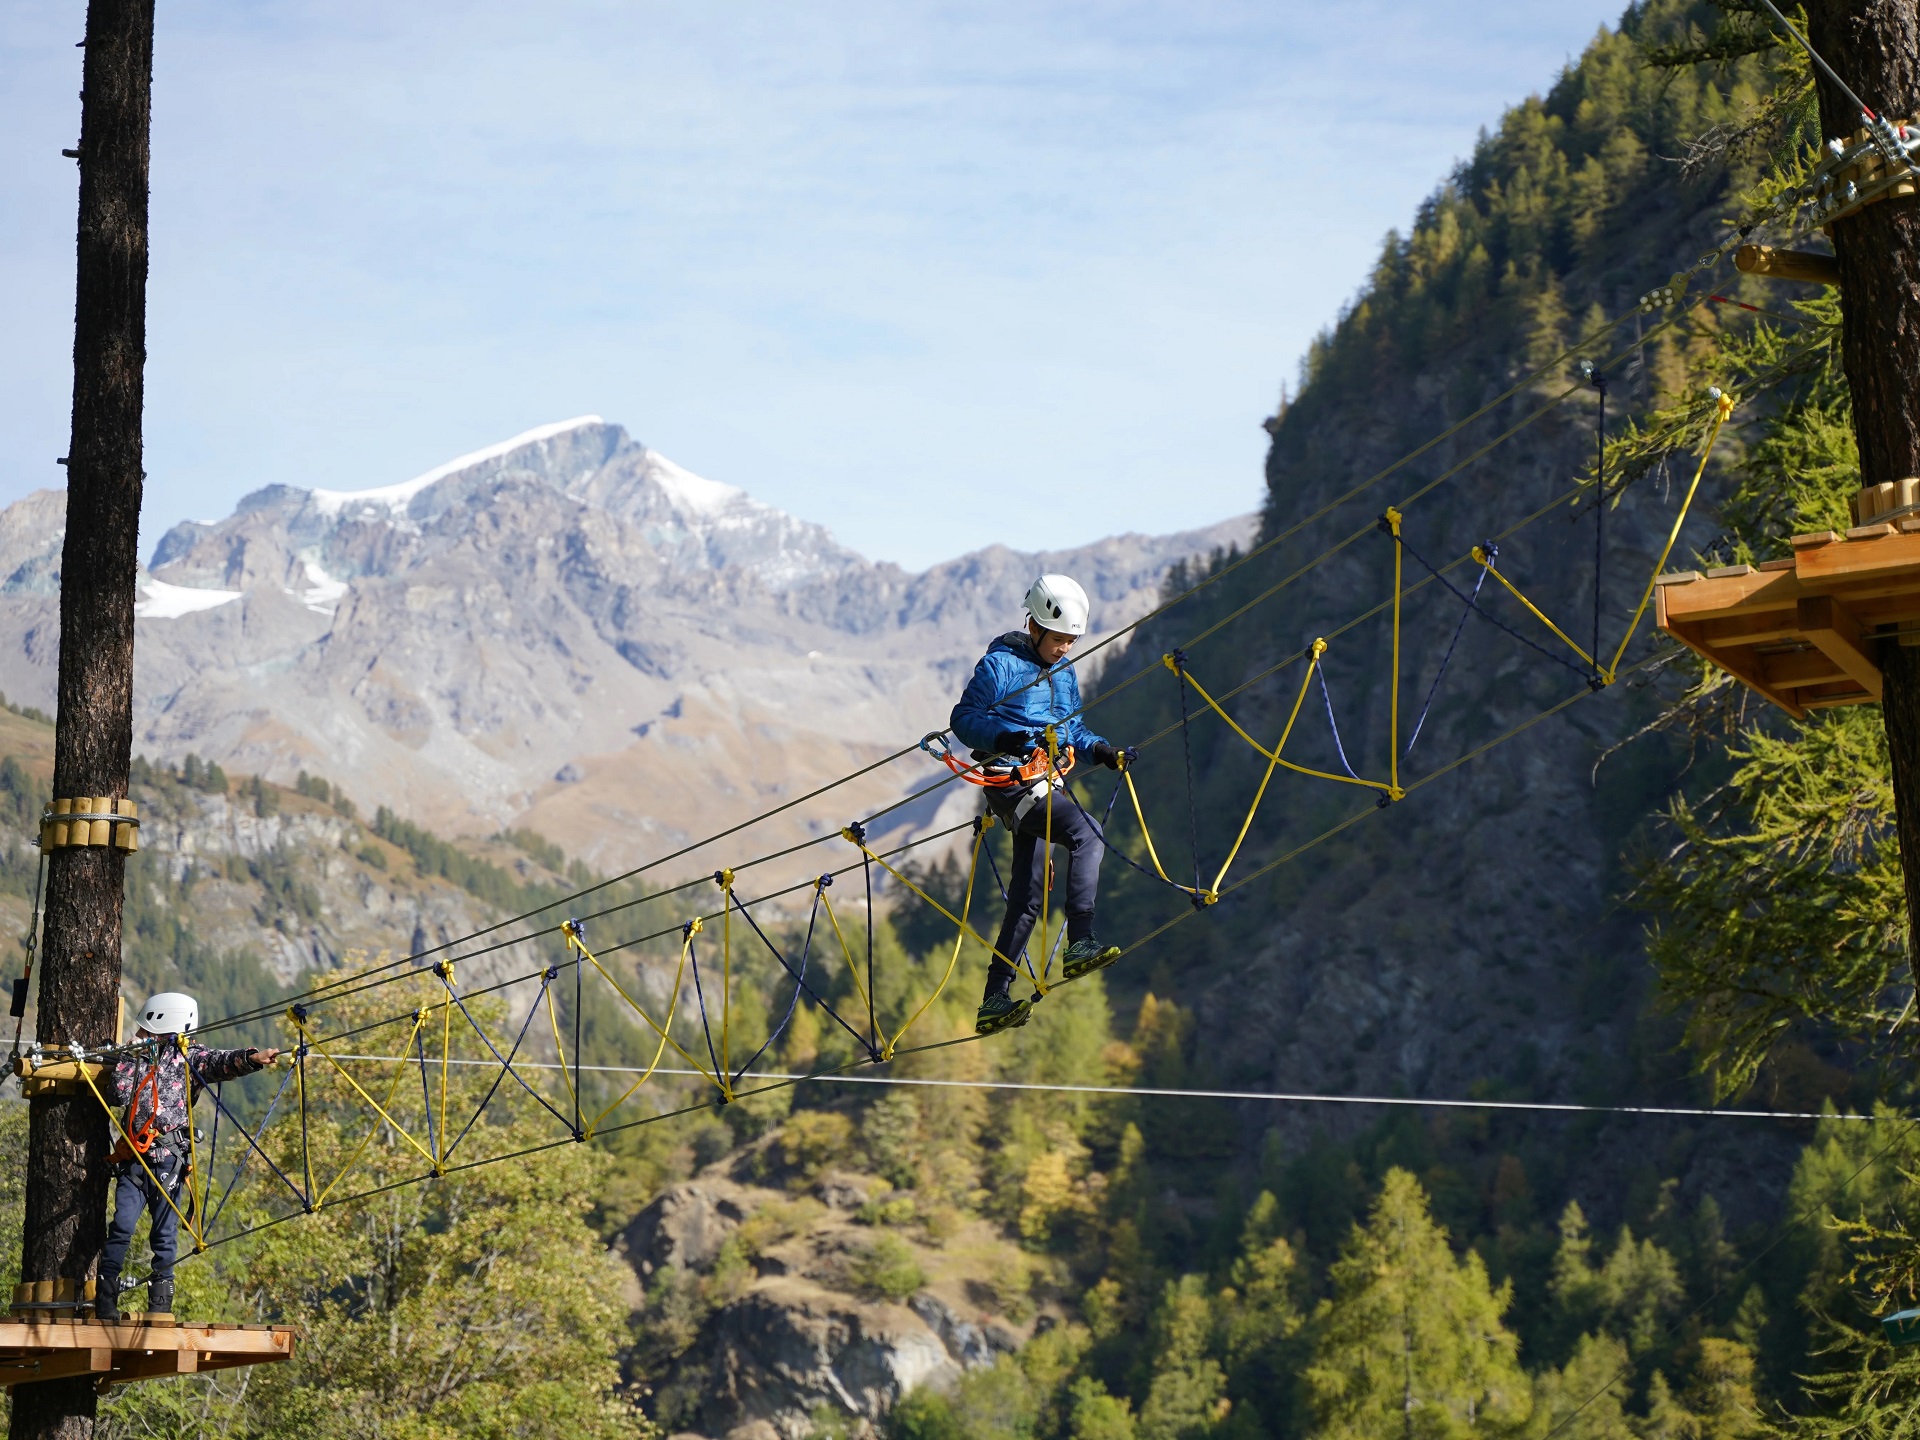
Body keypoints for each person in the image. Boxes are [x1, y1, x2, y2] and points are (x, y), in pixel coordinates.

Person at [950, 574, 1136, 1036]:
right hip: (1013, 785)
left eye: (1071, 641)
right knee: (1087, 833)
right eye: (1058, 640)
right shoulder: (999, 666)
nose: (1064, 649)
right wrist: (1003, 736)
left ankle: (994, 998)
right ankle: (1081, 940)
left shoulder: (1065, 672)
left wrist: (1103, 752)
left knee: (1027, 898)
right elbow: (963, 719)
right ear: (1033, 626)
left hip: (1045, 782)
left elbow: (1074, 730)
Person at [96, 991, 280, 1322]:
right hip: (134, 1161)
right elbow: (118, 1094)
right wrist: (130, 1056)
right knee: (121, 1226)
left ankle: (160, 1307)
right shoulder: (139, 1057)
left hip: (169, 1159)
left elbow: (222, 1062)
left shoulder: (190, 1057)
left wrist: (253, 1059)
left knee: (163, 1234)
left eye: (145, 1030)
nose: (140, 1035)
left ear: (165, 1025)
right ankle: (105, 1299)